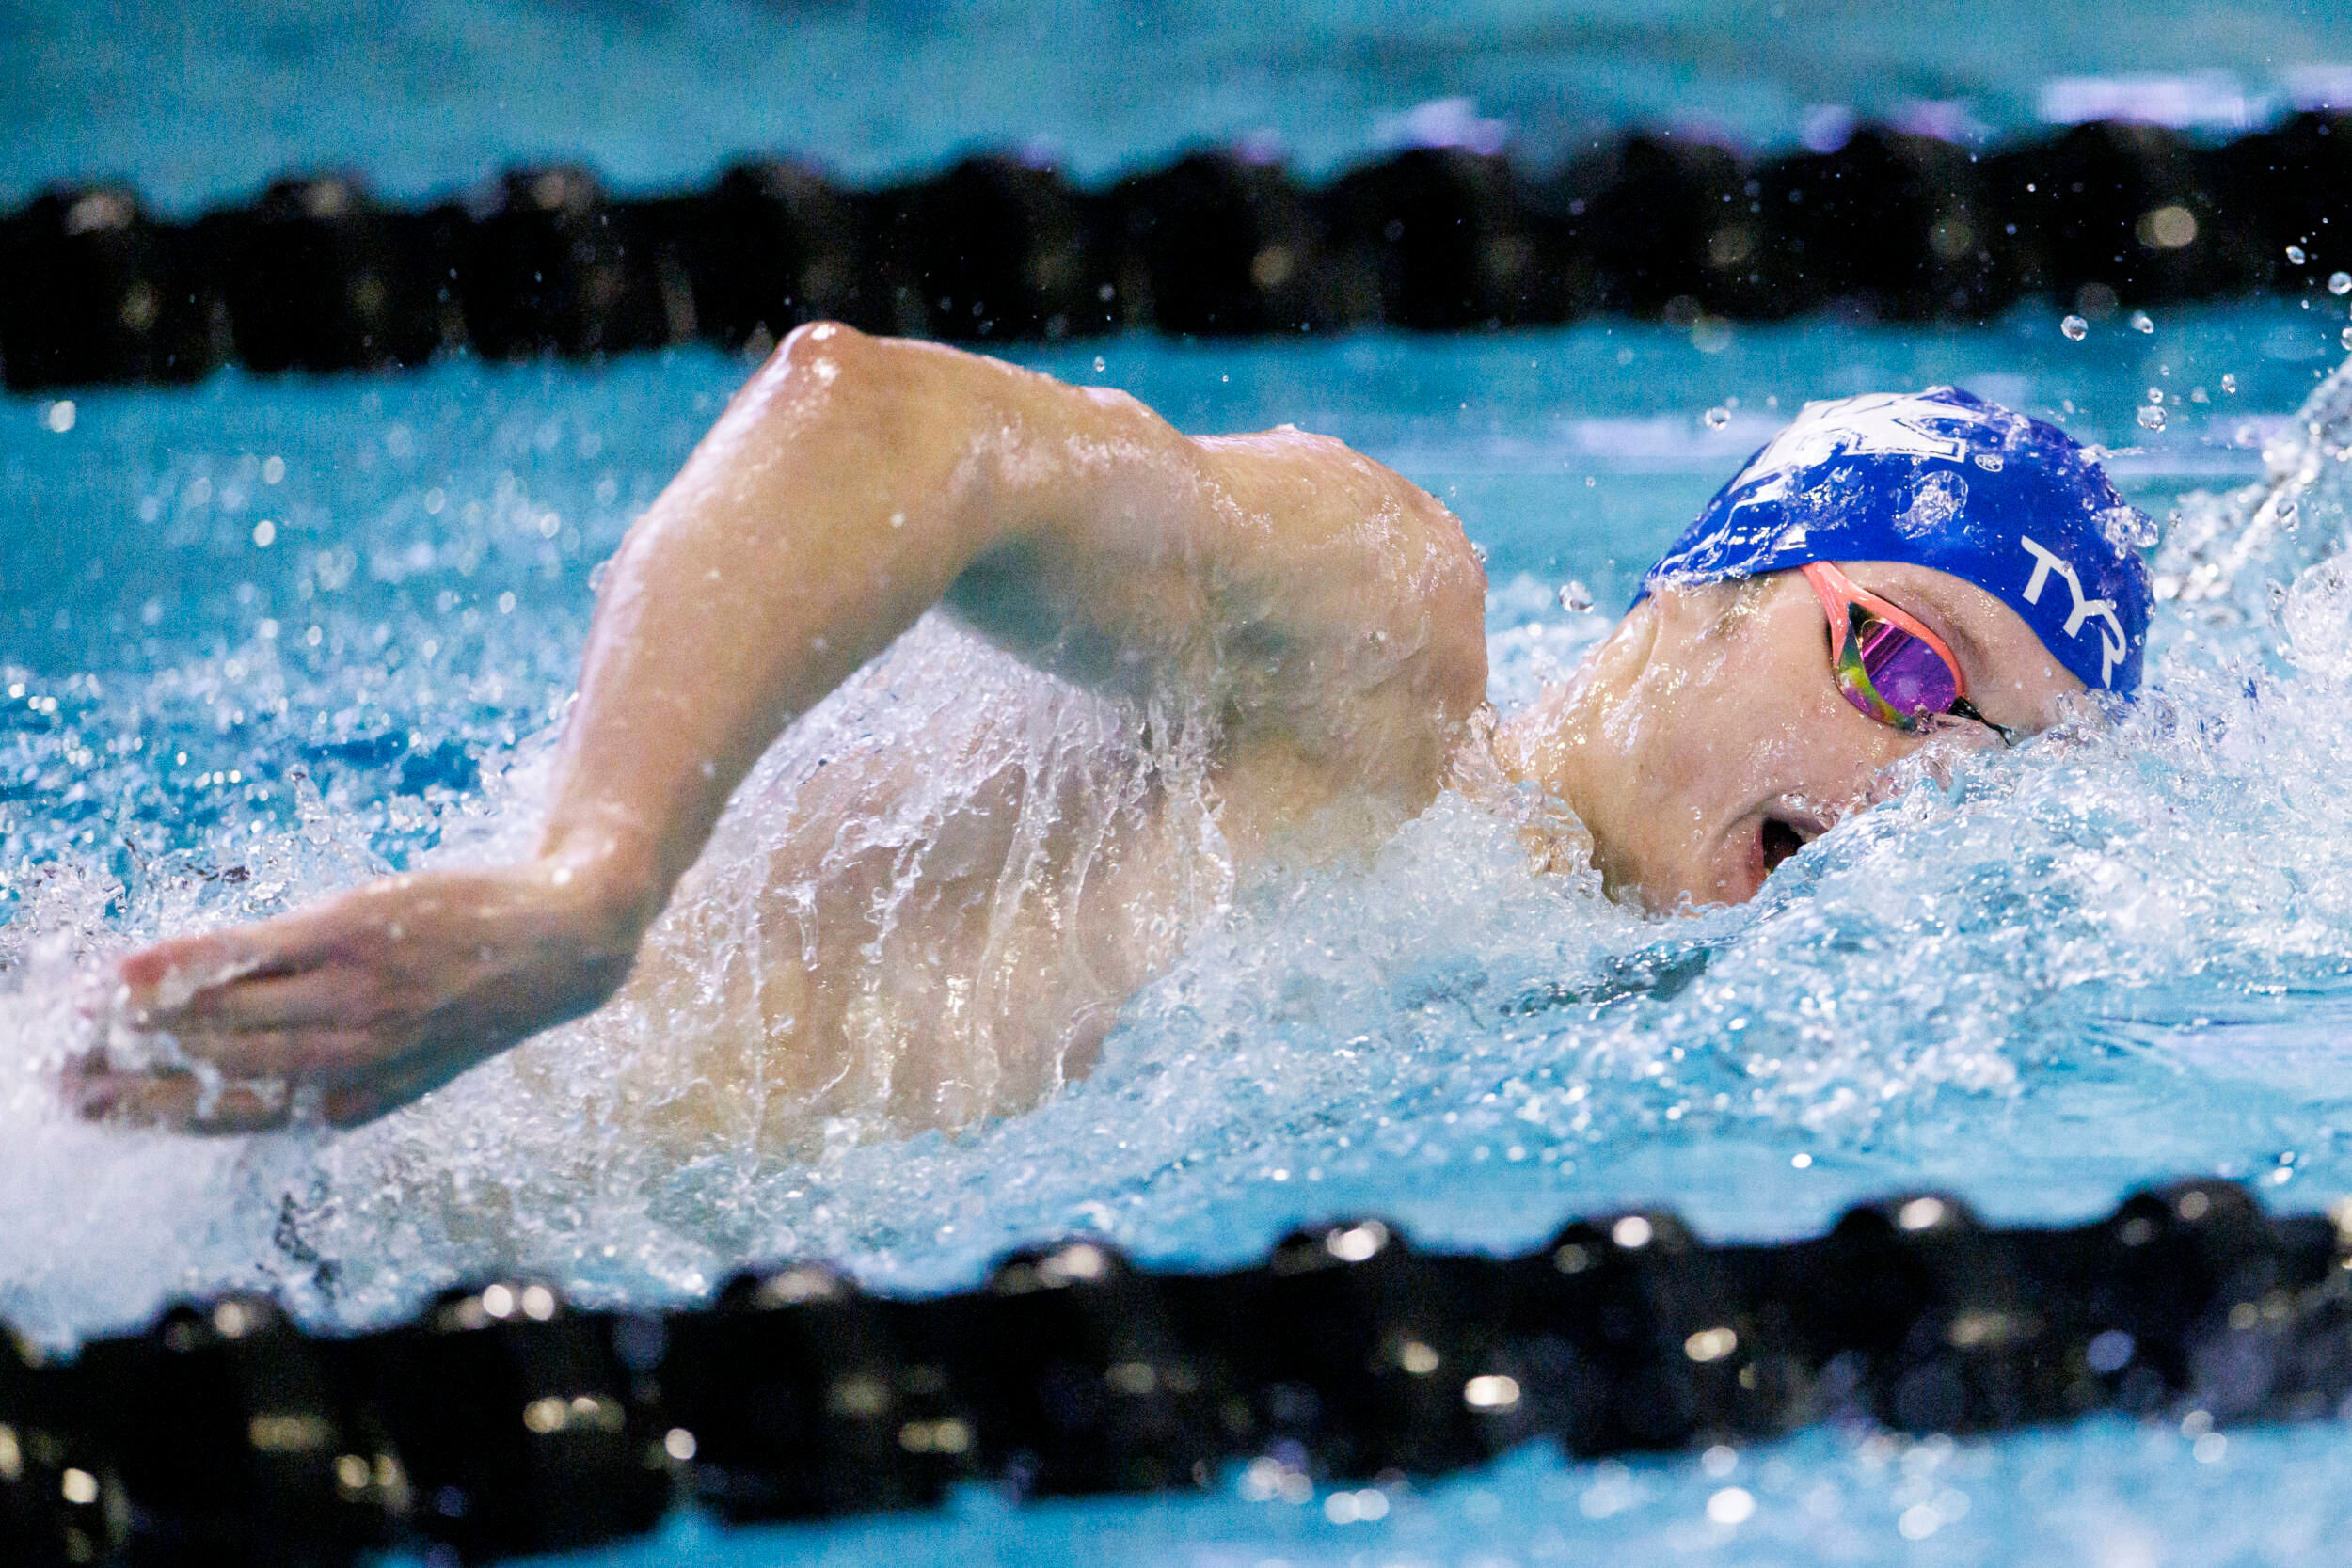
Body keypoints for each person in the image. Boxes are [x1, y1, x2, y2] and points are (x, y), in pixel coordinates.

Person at [68, 325, 2152, 1135]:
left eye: (1992, 764)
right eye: (1896, 663)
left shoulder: (1579, 1002)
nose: (1908, 789)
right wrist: (585, 885)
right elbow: (872, 419)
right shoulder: (1371, 647)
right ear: (1699, 590)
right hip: (248, 1105)